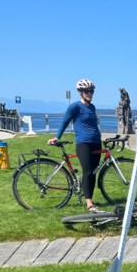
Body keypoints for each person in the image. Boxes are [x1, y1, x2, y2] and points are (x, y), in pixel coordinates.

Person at [48, 79, 103, 212]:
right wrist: (57, 137)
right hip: (83, 143)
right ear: (80, 92)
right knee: (88, 171)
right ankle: (89, 203)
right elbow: (65, 121)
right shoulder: (74, 107)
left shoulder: (92, 107)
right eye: (87, 91)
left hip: (96, 142)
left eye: (91, 91)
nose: (90, 93)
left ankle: (90, 198)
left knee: (93, 173)